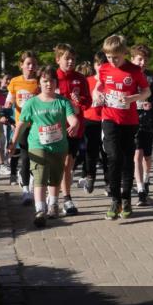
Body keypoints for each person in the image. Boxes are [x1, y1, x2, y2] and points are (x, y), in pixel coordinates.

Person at [12, 65, 80, 227]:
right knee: (40, 175)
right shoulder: (32, 103)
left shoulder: (63, 102)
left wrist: (75, 125)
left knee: (55, 178)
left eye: (52, 81)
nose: (48, 84)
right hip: (37, 144)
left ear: (56, 83)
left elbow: (73, 119)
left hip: (59, 147)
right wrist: (13, 143)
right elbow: (21, 124)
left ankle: (53, 205)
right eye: (45, 81)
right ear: (39, 83)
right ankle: (40, 210)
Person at [94, 35, 150, 220]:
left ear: (125, 53)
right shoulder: (104, 69)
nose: (112, 60)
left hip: (129, 121)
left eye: (116, 57)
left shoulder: (134, 70)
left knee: (127, 159)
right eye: (109, 57)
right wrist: (98, 94)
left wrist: (132, 98)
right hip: (109, 118)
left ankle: (126, 199)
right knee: (113, 156)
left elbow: (146, 91)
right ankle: (115, 199)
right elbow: (99, 86)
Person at [54, 44, 91, 216]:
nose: (70, 62)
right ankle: (52, 198)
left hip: (75, 128)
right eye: (66, 58)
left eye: (73, 59)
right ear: (58, 59)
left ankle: (67, 198)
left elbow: (88, 102)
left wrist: (80, 100)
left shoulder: (80, 78)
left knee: (68, 165)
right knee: (57, 165)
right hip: (54, 128)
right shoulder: (51, 77)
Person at [6, 52, 41, 205]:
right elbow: (10, 99)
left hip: (37, 124)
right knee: (26, 156)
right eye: (28, 63)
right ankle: (26, 190)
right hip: (22, 124)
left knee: (37, 157)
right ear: (21, 65)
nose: (31, 66)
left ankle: (32, 182)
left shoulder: (39, 82)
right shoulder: (14, 81)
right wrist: (7, 107)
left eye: (33, 63)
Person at [130, 44, 153, 206]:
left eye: (145, 60)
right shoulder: (128, 76)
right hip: (133, 121)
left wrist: (151, 105)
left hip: (148, 121)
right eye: (140, 59)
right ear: (133, 59)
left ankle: (147, 177)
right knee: (137, 155)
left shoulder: (152, 77)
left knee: (147, 156)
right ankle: (140, 189)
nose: (142, 62)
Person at [79, 54, 108, 194]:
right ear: (94, 65)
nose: (101, 67)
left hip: (107, 119)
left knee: (107, 152)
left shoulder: (110, 81)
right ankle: (90, 176)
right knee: (91, 151)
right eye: (98, 64)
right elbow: (82, 100)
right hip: (90, 119)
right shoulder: (87, 81)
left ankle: (109, 182)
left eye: (104, 64)